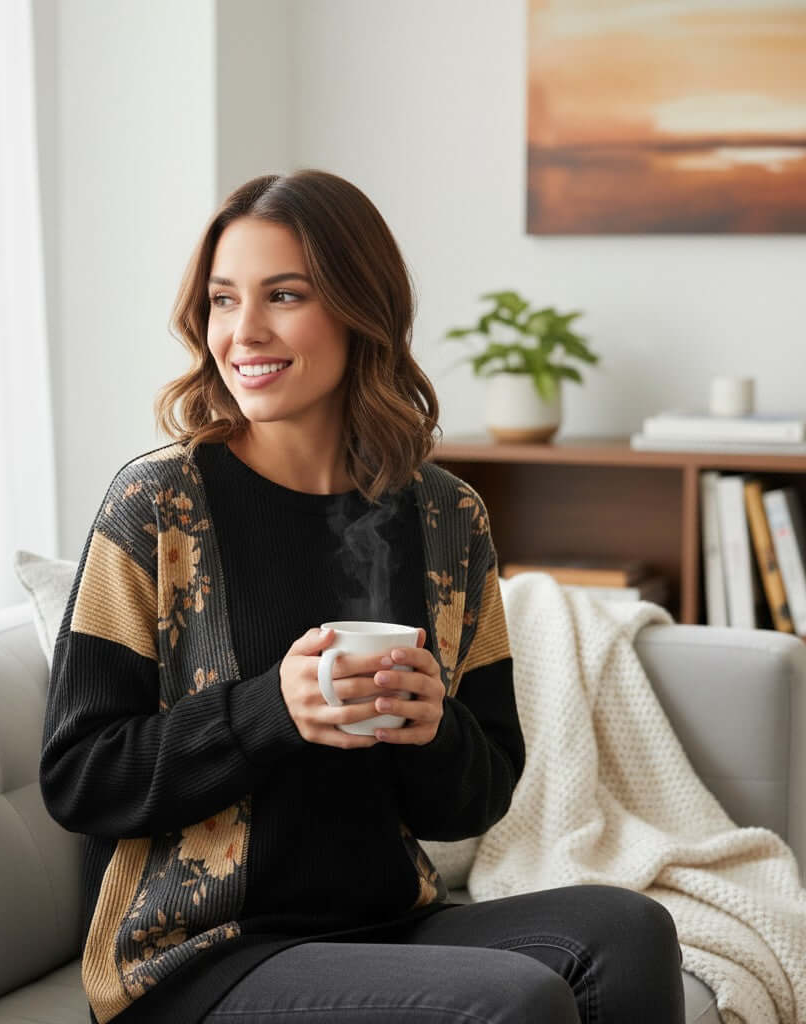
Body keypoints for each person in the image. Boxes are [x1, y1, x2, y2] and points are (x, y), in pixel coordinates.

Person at [39, 169, 686, 1024]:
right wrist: (269, 709)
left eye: (284, 296)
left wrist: (431, 731)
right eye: (224, 300)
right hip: (197, 960)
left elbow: (480, 794)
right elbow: (79, 777)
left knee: (633, 928)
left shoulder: (448, 518)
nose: (244, 332)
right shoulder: (158, 508)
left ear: (358, 308)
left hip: (385, 926)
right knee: (515, 999)